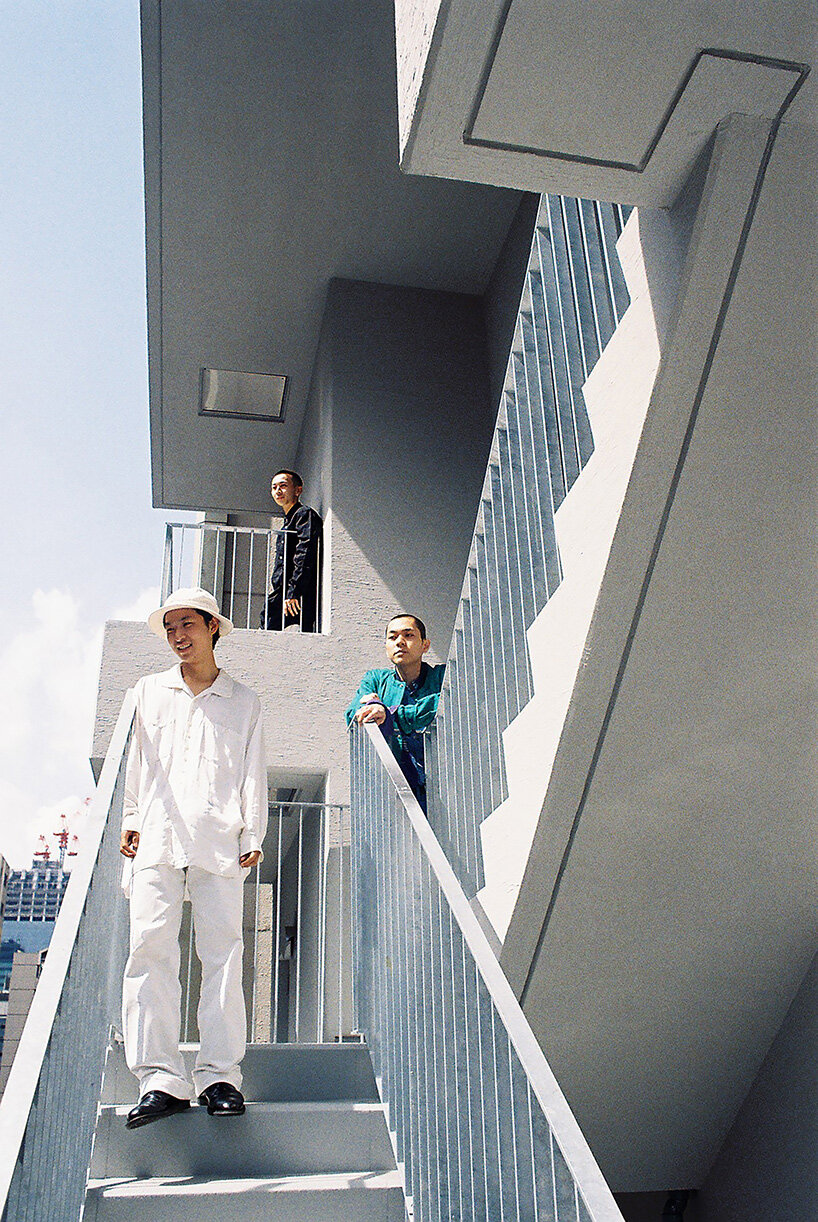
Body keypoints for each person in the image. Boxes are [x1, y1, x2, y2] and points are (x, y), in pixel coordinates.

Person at [120, 587, 267, 1129]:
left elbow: (253, 768)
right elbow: (136, 763)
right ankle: (159, 1078)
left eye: (188, 624)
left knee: (224, 953)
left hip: (218, 837)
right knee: (148, 949)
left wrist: (254, 829)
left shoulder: (244, 700)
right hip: (156, 835)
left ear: (212, 628)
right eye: (170, 628)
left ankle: (220, 1075)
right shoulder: (146, 692)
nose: (178, 635)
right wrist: (131, 820)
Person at [345, 614, 445, 810]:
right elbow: (353, 712)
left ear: (425, 645)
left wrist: (390, 715)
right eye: (392, 637)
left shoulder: (441, 677)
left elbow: (442, 702)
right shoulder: (375, 679)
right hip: (394, 788)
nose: (400, 642)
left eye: (408, 635)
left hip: (443, 782)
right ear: (386, 646)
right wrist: (371, 707)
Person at [260, 470, 323, 632]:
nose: (278, 491)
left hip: (298, 591)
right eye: (274, 487)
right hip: (283, 591)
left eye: (283, 486)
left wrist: (293, 592)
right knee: (267, 624)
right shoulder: (287, 522)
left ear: (298, 490)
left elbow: (304, 554)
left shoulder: (304, 515)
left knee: (304, 632)